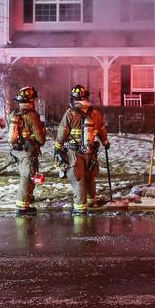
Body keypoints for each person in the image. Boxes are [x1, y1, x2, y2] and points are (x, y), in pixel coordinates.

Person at [54, 85, 110, 215]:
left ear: (74, 99)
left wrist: (57, 148)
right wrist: (105, 142)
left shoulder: (70, 113)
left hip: (74, 152)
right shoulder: (95, 113)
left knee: (78, 178)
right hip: (90, 151)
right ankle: (92, 200)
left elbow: (62, 132)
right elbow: (102, 130)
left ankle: (80, 207)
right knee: (90, 176)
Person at [9, 86, 46, 216]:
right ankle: (22, 207)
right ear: (31, 101)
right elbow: (40, 138)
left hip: (17, 151)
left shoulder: (14, 114)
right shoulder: (32, 116)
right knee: (27, 177)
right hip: (28, 152)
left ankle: (28, 198)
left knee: (28, 175)